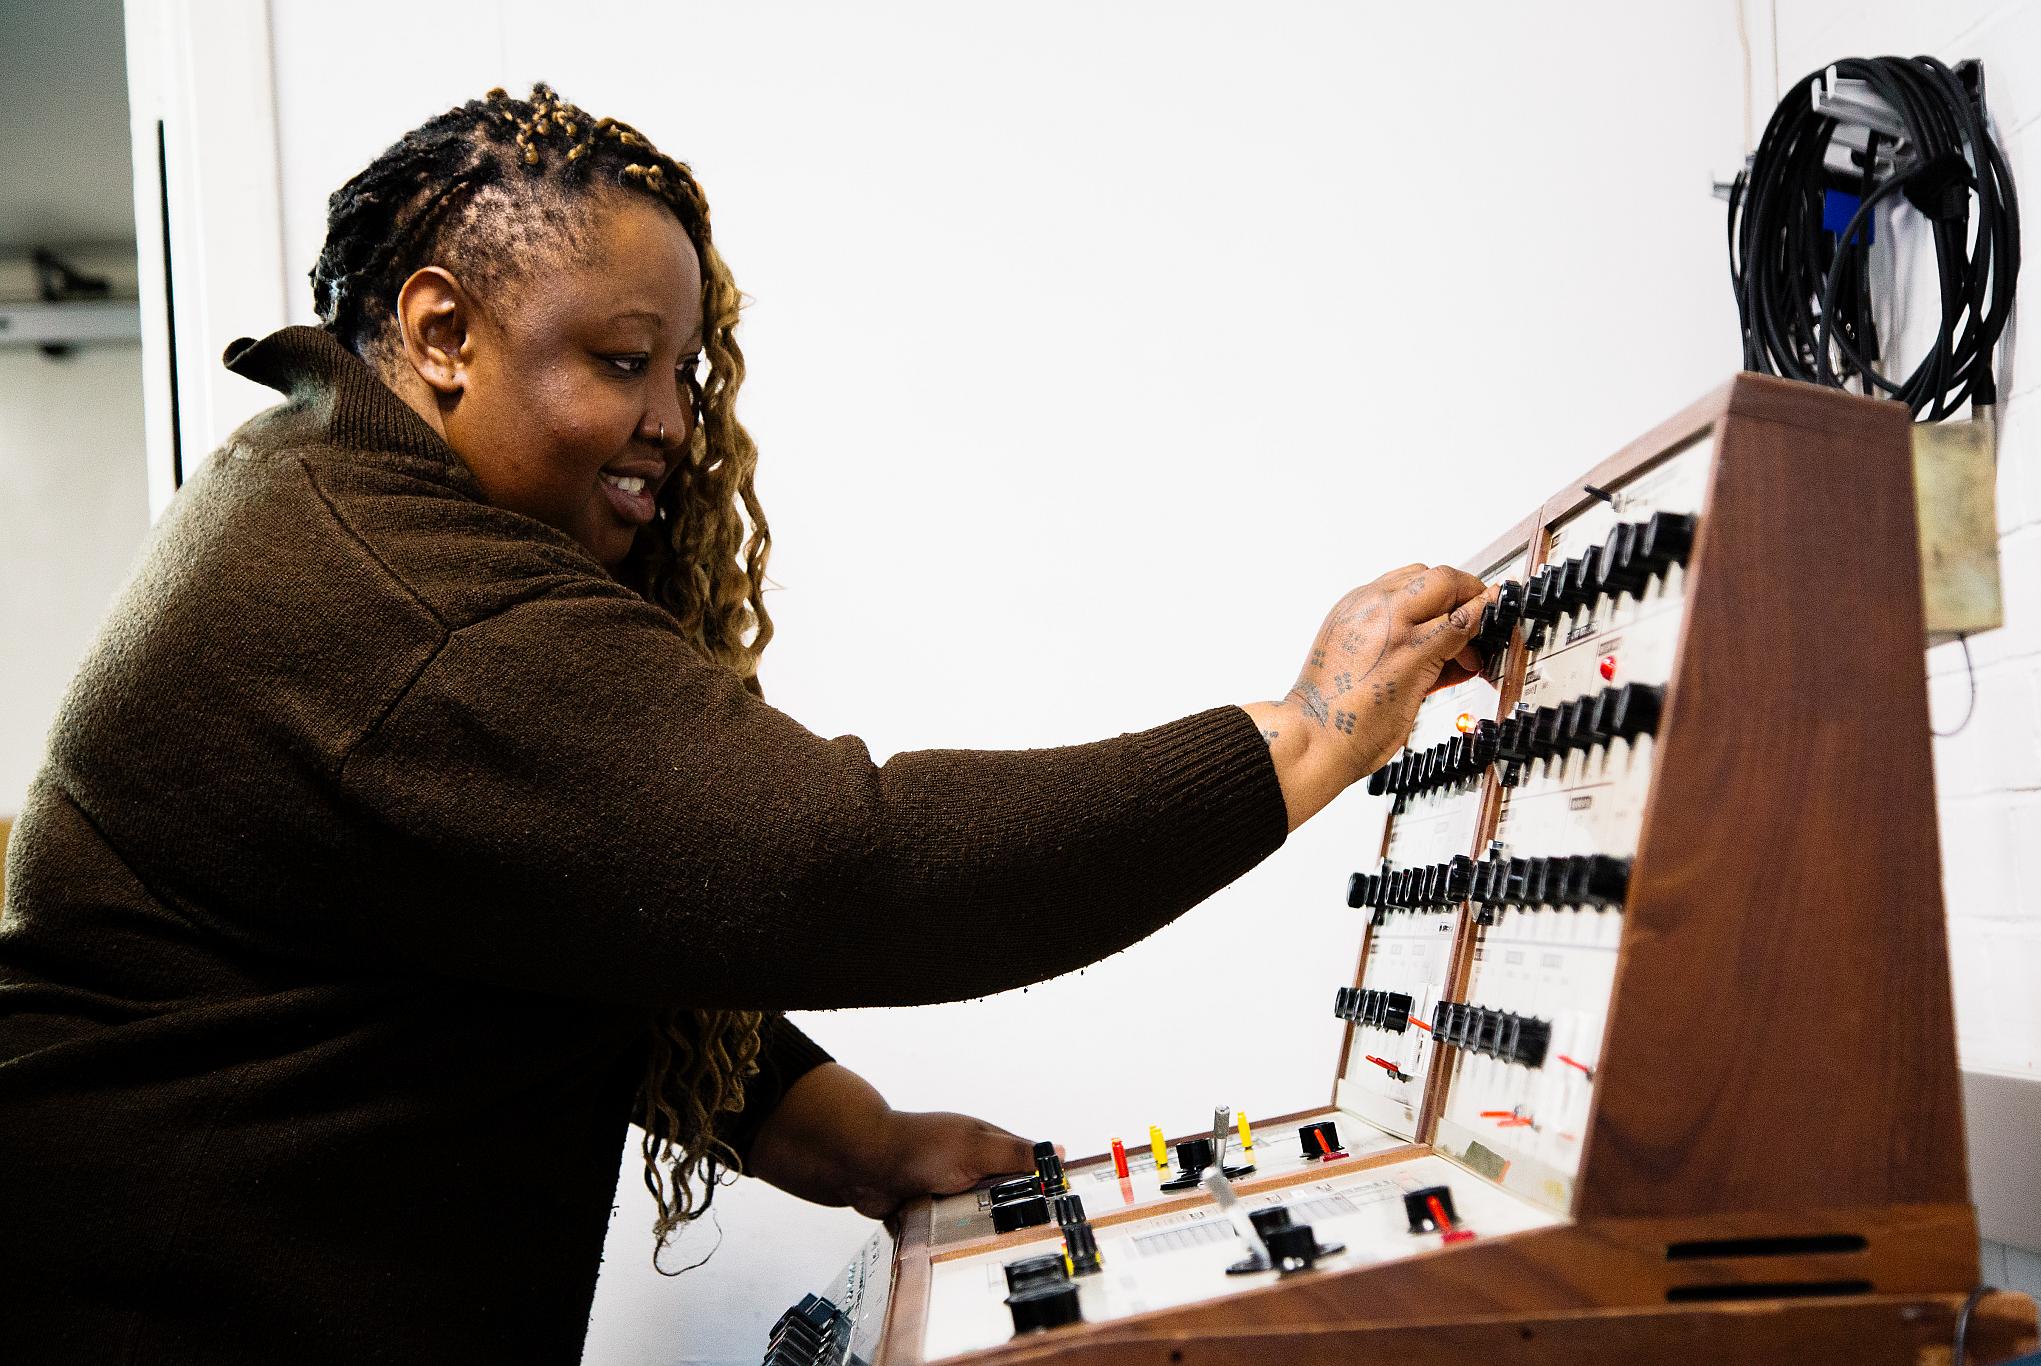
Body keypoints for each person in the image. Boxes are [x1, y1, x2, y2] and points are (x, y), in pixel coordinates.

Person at [0, 84, 1489, 1364]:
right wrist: (1300, 738)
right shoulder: (401, 596)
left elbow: (555, 911)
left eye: (686, 371)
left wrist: (847, 1135)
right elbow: (843, 865)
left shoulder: (321, 494)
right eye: (620, 359)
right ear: (442, 331)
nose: (672, 420)